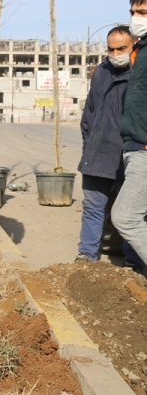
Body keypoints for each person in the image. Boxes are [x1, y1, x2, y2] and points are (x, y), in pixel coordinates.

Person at [76, 26, 136, 263]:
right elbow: (89, 113)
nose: (115, 53)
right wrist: (88, 143)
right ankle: (87, 255)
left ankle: (135, 262)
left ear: (134, 46)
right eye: (111, 48)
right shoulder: (101, 71)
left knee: (132, 215)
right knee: (92, 207)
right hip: (96, 155)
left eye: (121, 48)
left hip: (128, 155)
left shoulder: (140, 74)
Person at [111, 0, 147, 271]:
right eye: (133, 12)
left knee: (125, 217)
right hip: (133, 145)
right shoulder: (140, 51)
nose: (136, 18)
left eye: (143, 13)